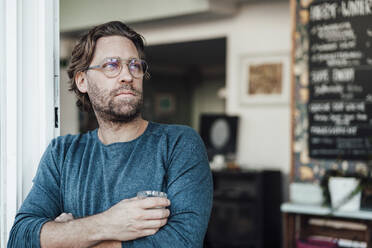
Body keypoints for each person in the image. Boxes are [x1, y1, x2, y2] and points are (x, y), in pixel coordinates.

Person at [7, 21, 213, 248]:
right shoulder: (62, 153)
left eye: (135, 65)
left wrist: (68, 237)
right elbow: (20, 238)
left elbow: (183, 242)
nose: (127, 75)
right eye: (111, 65)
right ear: (82, 81)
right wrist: (109, 223)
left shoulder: (178, 144)